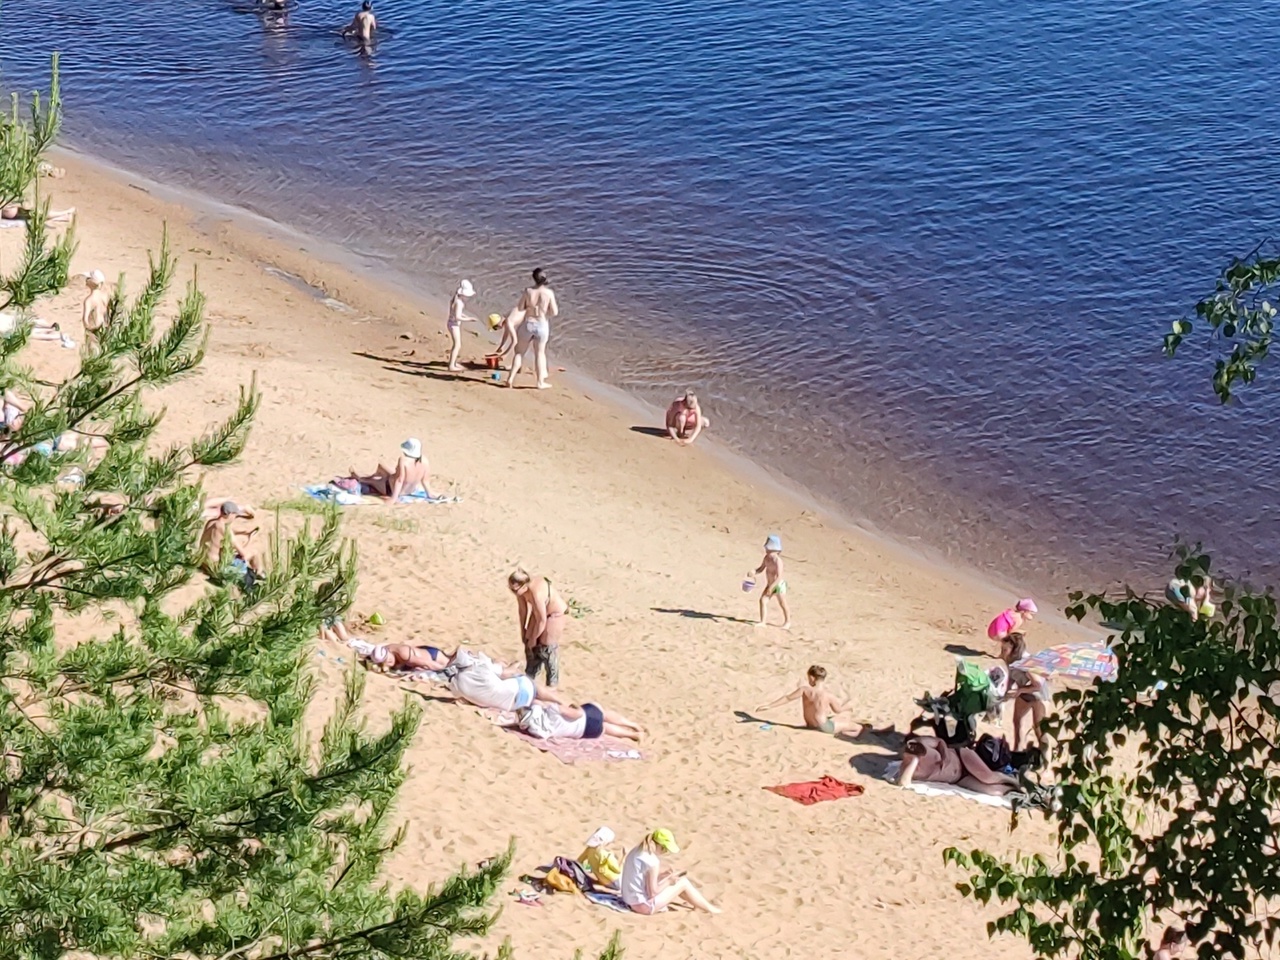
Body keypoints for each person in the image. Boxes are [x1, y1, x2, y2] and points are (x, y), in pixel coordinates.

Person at [620, 829, 720, 915]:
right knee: (683, 883)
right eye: (665, 849)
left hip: (630, 900)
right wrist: (669, 882)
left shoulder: (637, 851)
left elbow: (639, 877)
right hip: (643, 906)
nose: (665, 852)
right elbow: (653, 893)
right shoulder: (652, 861)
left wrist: (663, 876)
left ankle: (697, 904)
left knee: (674, 880)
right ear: (661, 846)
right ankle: (710, 909)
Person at [445, 647, 565, 711]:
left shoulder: (456, 685)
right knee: (530, 684)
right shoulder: (481, 667)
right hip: (521, 690)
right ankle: (562, 702)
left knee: (533, 700)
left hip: (512, 707)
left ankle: (548, 705)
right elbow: (507, 673)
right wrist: (516, 664)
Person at [897, 735, 1020, 796]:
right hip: (959, 779)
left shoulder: (922, 742)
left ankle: (1012, 780)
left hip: (961, 757)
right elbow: (904, 782)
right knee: (992, 791)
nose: (913, 747)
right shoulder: (911, 767)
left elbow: (940, 741)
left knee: (988, 778)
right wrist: (914, 759)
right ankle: (1015, 791)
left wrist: (944, 756)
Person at [755, 665, 862, 735]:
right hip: (823, 727)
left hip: (810, 725)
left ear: (812, 678)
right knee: (855, 726)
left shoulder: (804, 690)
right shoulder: (827, 695)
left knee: (837, 719)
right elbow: (838, 710)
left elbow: (787, 698)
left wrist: (769, 706)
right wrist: (849, 705)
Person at [508, 568, 567, 686]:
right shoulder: (522, 592)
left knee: (546, 646)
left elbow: (542, 620)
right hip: (539, 615)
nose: (513, 592)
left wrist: (534, 638)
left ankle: (552, 682)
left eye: (515, 590)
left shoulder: (536, 594)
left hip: (554, 615)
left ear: (524, 586)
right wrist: (524, 632)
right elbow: (523, 610)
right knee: (529, 643)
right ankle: (530, 676)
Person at [505, 268, 558, 389]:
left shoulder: (528, 291)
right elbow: (554, 312)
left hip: (528, 323)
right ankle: (540, 382)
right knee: (539, 353)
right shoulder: (549, 293)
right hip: (541, 323)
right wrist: (545, 311)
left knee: (519, 353)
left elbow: (520, 307)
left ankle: (510, 378)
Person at [998, 632, 1050, 751]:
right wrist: (1006, 692)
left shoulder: (1025, 662)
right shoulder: (1010, 659)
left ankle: (1045, 760)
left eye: (1005, 649)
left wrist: (1020, 690)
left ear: (1014, 649)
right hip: (1024, 693)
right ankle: (1017, 750)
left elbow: (1038, 684)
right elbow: (1012, 676)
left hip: (1039, 696)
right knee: (1017, 722)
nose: (1002, 652)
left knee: (1039, 730)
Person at [339, 438, 432, 501]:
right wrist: (430, 494)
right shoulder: (425, 460)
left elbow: (399, 480)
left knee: (371, 481)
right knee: (381, 466)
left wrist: (394, 498)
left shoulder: (404, 460)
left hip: (390, 489)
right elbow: (425, 481)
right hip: (409, 490)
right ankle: (374, 476)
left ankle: (359, 478)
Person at [199, 500, 265, 580]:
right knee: (254, 553)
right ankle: (259, 574)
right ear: (230, 514)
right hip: (216, 567)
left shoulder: (210, 522)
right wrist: (250, 540)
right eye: (235, 515)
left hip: (203, 562)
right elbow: (243, 554)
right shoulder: (225, 529)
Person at [516, 700, 644, 741]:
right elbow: (577, 714)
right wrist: (576, 705)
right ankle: (631, 724)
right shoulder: (552, 710)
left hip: (587, 733)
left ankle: (632, 735)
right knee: (600, 711)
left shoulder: (538, 731)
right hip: (588, 719)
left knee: (604, 728)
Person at [748, 534, 790, 629]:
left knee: (782, 603)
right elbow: (761, 569)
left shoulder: (777, 561)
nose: (768, 552)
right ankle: (763, 622)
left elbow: (779, 576)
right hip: (770, 584)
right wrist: (753, 572)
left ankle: (787, 622)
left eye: (770, 550)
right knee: (763, 601)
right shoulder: (766, 559)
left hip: (778, 585)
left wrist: (772, 587)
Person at [446, 279, 478, 372]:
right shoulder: (459, 303)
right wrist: (469, 319)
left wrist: (466, 316)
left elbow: (457, 313)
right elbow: (457, 317)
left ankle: (453, 363)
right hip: (454, 325)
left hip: (452, 323)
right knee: (457, 345)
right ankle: (451, 365)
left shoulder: (455, 300)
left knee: (457, 344)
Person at [81, 271, 110, 337]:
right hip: (104, 328)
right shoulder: (105, 296)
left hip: (94, 329)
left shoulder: (89, 300)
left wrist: (88, 330)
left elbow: (85, 320)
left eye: (88, 279)